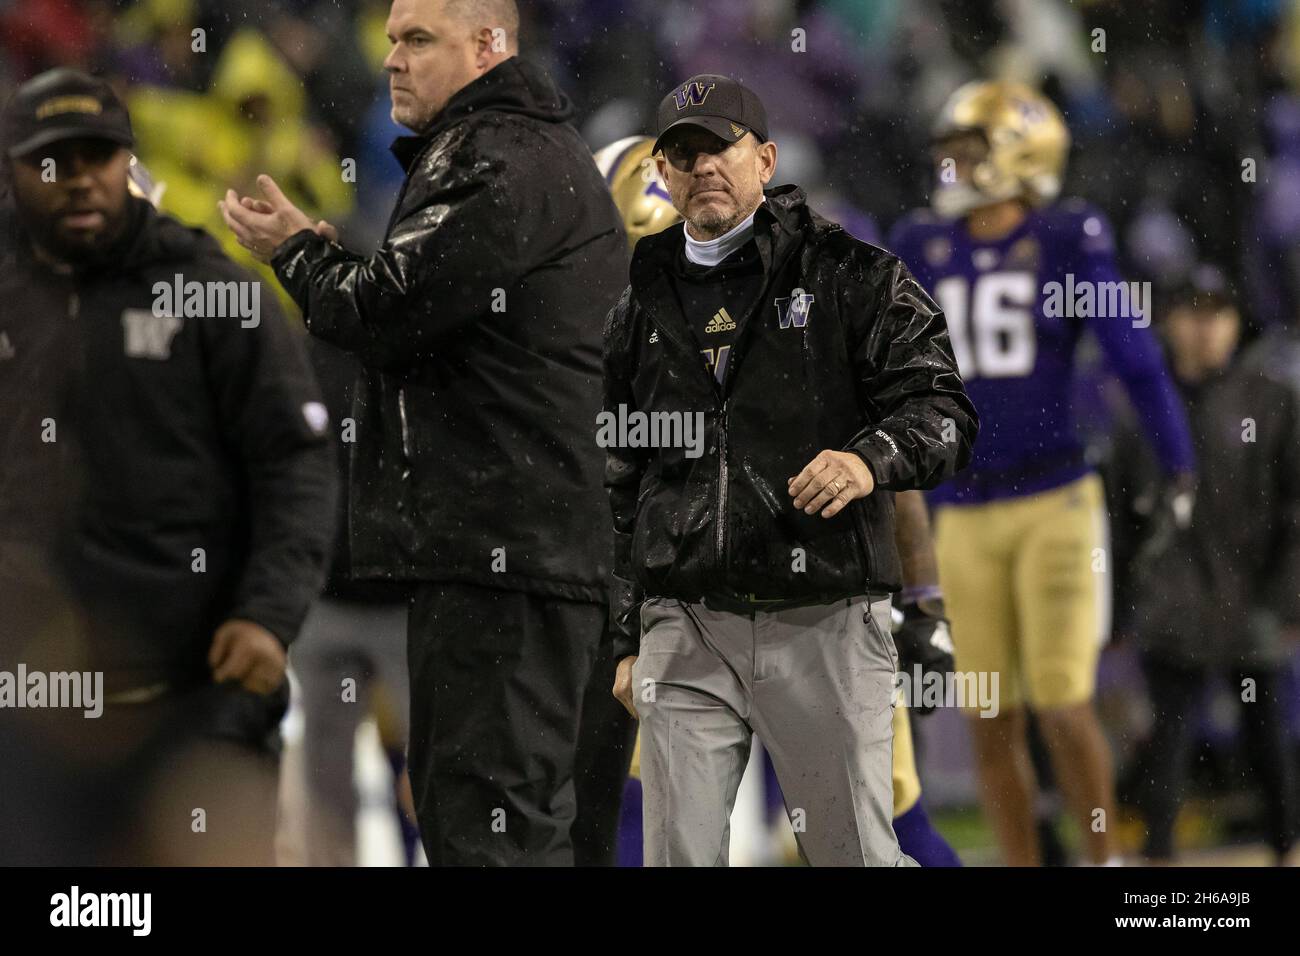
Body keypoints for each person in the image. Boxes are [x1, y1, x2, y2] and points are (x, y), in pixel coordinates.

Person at [219, 0, 628, 865]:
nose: (393, 62)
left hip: (503, 551)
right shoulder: (529, 147)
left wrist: (298, 252)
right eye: (391, 41)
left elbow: (384, 310)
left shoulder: (492, 152)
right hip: (538, 548)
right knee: (524, 826)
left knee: (488, 830)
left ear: (489, 46)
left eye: (418, 41)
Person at [603, 76, 978, 866]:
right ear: (663, 175)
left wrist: (870, 458)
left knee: (855, 858)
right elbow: (624, 477)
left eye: (722, 147)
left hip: (823, 612)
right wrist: (626, 633)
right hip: (686, 619)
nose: (703, 166)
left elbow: (944, 413)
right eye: (684, 152)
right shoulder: (639, 302)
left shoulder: (854, 273)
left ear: (766, 158)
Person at [0, 68, 337, 865]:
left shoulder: (213, 292)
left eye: (99, 155)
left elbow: (295, 462)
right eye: (53, 161)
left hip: (193, 699)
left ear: (129, 162)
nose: (79, 177)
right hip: (25, 717)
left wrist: (268, 613)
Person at [888, 80, 1197, 866]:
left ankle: (1105, 865)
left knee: (1062, 704)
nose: (952, 169)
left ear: (1021, 155)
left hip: (1056, 500)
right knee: (990, 718)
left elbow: (1133, 352)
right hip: (961, 511)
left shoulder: (1066, 236)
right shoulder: (921, 243)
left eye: (969, 154)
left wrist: (1178, 463)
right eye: (948, 154)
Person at [1111, 274, 1299, 864]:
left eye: (1218, 313)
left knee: (1269, 745)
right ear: (1169, 321)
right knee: (1166, 749)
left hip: (1252, 599)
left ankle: (1287, 851)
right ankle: (1156, 872)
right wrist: (1122, 603)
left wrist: (1287, 598)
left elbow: (1296, 509)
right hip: (1174, 604)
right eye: (1194, 312)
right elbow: (1121, 518)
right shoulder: (1145, 407)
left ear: (1237, 322)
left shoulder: (1271, 401)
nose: (1207, 327)